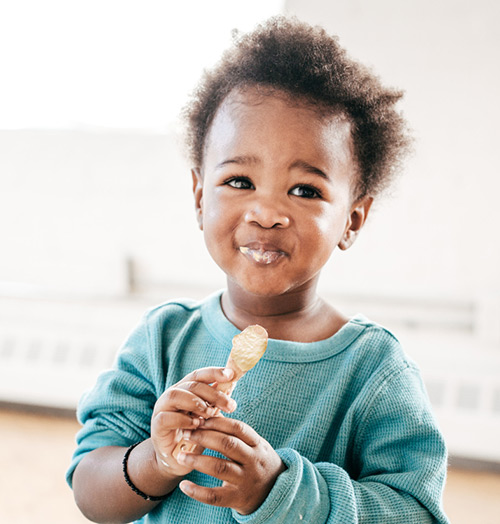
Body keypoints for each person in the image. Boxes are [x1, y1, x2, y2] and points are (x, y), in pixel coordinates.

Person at [67, 16, 449, 524]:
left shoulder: (375, 371)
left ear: (352, 219)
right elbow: (92, 492)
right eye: (240, 180)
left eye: (305, 190)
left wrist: (282, 491)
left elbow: (416, 512)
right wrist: (155, 461)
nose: (266, 212)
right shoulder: (160, 340)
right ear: (201, 196)